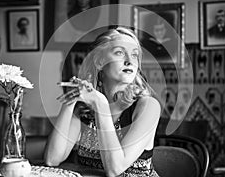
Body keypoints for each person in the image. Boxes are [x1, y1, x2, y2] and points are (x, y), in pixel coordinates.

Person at [44, 27, 161, 177]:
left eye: (134, 55)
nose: (129, 61)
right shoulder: (86, 108)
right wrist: (70, 101)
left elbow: (115, 169)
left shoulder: (148, 106)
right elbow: (52, 160)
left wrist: (101, 105)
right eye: (119, 53)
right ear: (99, 62)